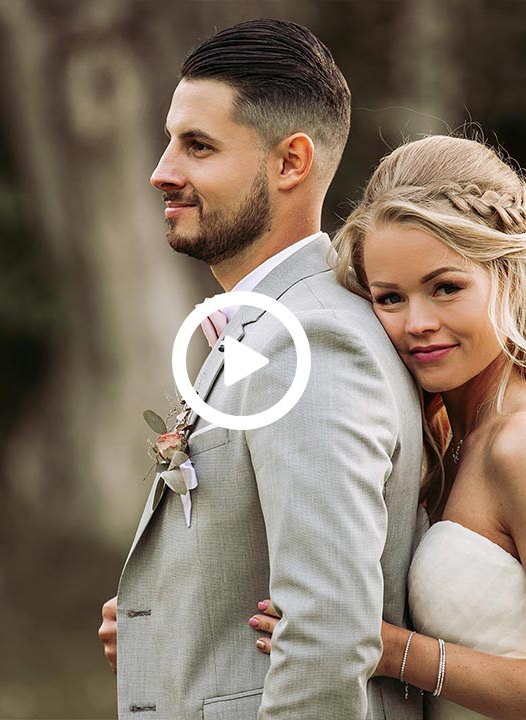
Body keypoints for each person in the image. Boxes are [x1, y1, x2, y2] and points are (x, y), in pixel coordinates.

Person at [247, 135, 526, 719]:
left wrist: (387, 650)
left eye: (446, 288)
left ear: (510, 277)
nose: (418, 323)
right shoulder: (438, 433)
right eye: (390, 298)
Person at [98, 19, 425, 720]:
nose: (162, 171)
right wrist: (162, 618)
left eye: (198, 146)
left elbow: (328, 633)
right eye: (170, 141)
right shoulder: (271, 327)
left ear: (290, 163)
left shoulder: (311, 344)